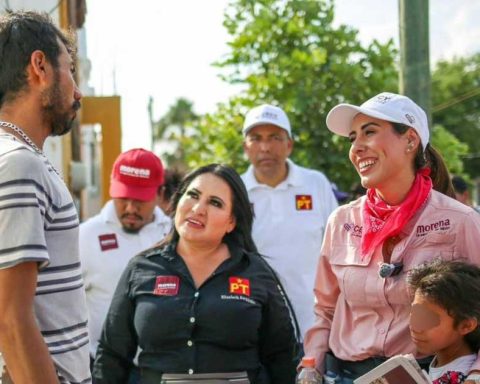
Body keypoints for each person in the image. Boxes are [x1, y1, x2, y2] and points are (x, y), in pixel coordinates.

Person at [303, 92, 480, 383]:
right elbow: (325, 310)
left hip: (428, 375)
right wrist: (310, 367)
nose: (356, 148)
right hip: (346, 375)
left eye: (369, 132)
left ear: (411, 141)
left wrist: (475, 374)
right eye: (352, 138)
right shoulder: (341, 221)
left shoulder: (461, 222)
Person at [93, 164, 298, 383]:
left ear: (231, 222)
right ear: (178, 201)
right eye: (193, 195)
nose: (198, 208)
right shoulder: (141, 269)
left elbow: (283, 358)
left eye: (215, 203)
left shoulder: (255, 272)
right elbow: (111, 356)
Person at [0, 11, 90, 384]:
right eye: (70, 70)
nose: (78, 92)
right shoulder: (18, 164)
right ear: (40, 66)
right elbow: (9, 319)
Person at [241, 103, 338, 337]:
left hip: (315, 326)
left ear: (289, 145)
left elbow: (339, 249)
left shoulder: (316, 184)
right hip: (254, 328)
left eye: (274, 137)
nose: (265, 147)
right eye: (256, 138)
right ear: (246, 147)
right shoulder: (235, 192)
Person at [80, 148, 171, 363]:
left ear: (160, 194)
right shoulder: (84, 236)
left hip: (162, 366)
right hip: (101, 365)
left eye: (140, 200)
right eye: (123, 198)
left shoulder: (174, 235)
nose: (130, 208)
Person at [408, 260, 480, 384]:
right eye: (415, 312)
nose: (416, 327)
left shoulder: (463, 377)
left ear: (466, 325)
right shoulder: (440, 363)